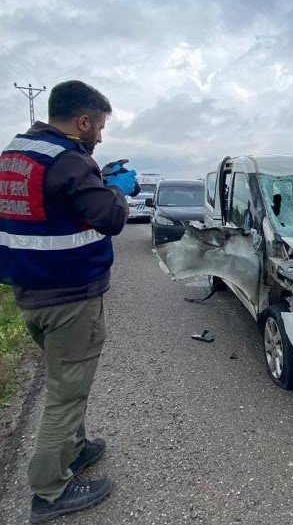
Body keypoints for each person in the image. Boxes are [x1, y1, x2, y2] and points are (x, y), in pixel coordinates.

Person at [0, 80, 138, 523]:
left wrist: (96, 175)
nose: (100, 134)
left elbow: (54, 207)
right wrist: (116, 188)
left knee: (64, 379)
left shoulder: (15, 154)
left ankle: (75, 450)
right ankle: (49, 492)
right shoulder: (69, 160)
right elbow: (112, 217)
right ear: (83, 121)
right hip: (70, 299)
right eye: (98, 125)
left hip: (31, 293)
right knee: (66, 393)